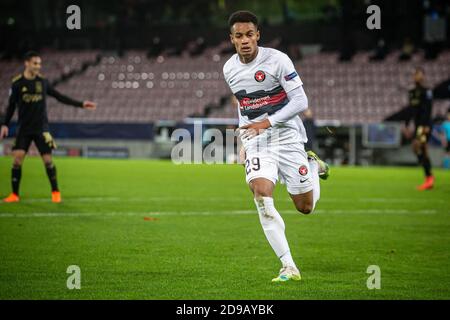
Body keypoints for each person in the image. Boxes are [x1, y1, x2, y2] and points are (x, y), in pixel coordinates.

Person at [223, 11, 329, 283]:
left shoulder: (278, 60)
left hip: (287, 135)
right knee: (261, 194)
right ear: (232, 39)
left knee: (305, 207)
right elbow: (245, 107)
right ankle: (288, 265)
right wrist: (243, 140)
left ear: (257, 35)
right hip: (257, 140)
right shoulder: (229, 69)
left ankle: (312, 167)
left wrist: (267, 123)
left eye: (249, 34)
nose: (245, 40)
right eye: (239, 36)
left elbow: (300, 102)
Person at [0, 51, 97, 203]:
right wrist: (5, 124)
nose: (38, 66)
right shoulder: (17, 83)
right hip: (24, 129)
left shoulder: (43, 82)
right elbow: (11, 106)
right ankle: (14, 195)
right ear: (27, 63)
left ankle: (55, 192)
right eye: (35, 63)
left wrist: (81, 104)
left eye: (39, 63)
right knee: (17, 161)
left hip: (41, 129)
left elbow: (59, 97)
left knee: (48, 161)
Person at [406, 67, 434, 190]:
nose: (417, 76)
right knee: (418, 149)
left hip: (424, 125)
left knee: (418, 146)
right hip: (417, 125)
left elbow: (428, 109)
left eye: (419, 74)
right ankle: (429, 176)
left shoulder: (426, 91)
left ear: (423, 76)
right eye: (416, 74)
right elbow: (411, 110)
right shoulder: (411, 92)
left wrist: (426, 125)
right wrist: (407, 124)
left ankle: (429, 178)